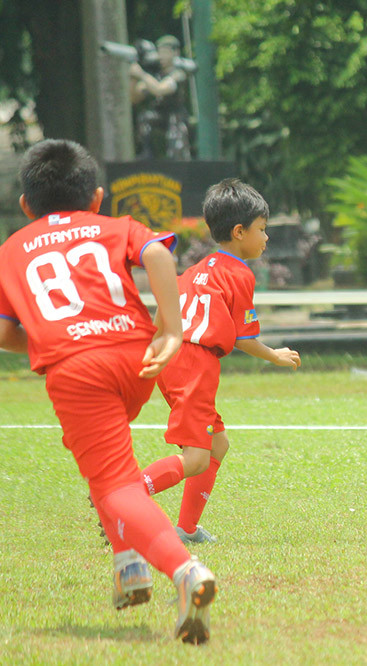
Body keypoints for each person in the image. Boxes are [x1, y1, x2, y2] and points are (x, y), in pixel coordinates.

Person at [0, 139, 215, 644]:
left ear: (26, 207)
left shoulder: (11, 248)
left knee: (115, 482)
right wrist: (172, 330)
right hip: (136, 357)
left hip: (79, 371)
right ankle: (128, 567)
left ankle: (186, 573)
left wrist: (51, 342)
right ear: (96, 197)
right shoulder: (113, 226)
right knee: (101, 463)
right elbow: (159, 254)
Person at [139, 179, 301, 544]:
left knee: (217, 445)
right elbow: (244, 337)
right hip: (196, 363)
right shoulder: (240, 273)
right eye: (262, 229)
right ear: (239, 231)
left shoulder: (194, 271)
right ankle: (123, 498)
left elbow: (162, 319)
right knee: (196, 458)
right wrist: (275, 355)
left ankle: (187, 528)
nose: (266, 237)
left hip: (172, 356)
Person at [131, 35, 190, 160]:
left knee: (176, 132)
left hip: (176, 116)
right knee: (145, 118)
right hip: (159, 114)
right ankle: (146, 153)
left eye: (165, 52)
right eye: (159, 52)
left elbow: (160, 89)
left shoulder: (178, 73)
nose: (161, 55)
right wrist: (133, 76)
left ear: (175, 52)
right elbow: (135, 97)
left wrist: (141, 74)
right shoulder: (156, 74)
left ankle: (178, 159)